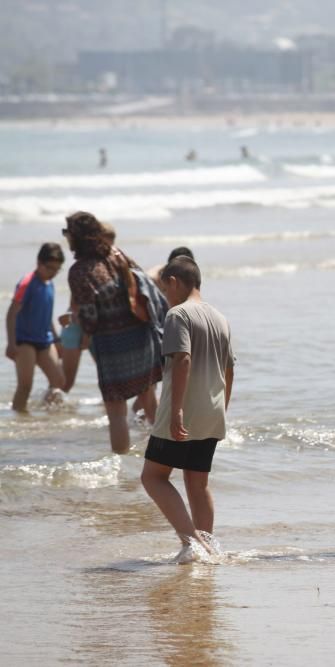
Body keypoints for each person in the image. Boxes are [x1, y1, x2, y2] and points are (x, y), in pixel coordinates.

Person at [141, 256, 235, 563]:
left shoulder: (177, 315)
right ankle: (207, 547)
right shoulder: (220, 317)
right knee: (198, 482)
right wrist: (223, 407)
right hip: (212, 411)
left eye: (165, 290)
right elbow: (229, 369)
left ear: (173, 282)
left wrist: (177, 411)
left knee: (153, 477)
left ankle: (192, 543)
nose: (166, 297)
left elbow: (182, 359)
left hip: (183, 409)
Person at [65, 211, 162, 453]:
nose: (66, 238)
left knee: (116, 411)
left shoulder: (79, 271)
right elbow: (143, 284)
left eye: (67, 233)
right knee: (149, 399)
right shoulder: (116, 253)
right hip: (142, 337)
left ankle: (120, 474)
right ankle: (169, 453)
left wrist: (76, 322)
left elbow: (90, 317)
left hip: (112, 344)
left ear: (77, 237)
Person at [5, 243, 66, 412]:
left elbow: (47, 316)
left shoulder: (50, 284)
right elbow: (11, 313)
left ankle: (48, 419)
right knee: (25, 386)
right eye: (49, 268)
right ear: (39, 262)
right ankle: (19, 420)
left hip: (45, 340)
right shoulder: (26, 283)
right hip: (25, 341)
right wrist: (11, 343)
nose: (53, 273)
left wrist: (56, 339)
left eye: (57, 269)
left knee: (58, 381)